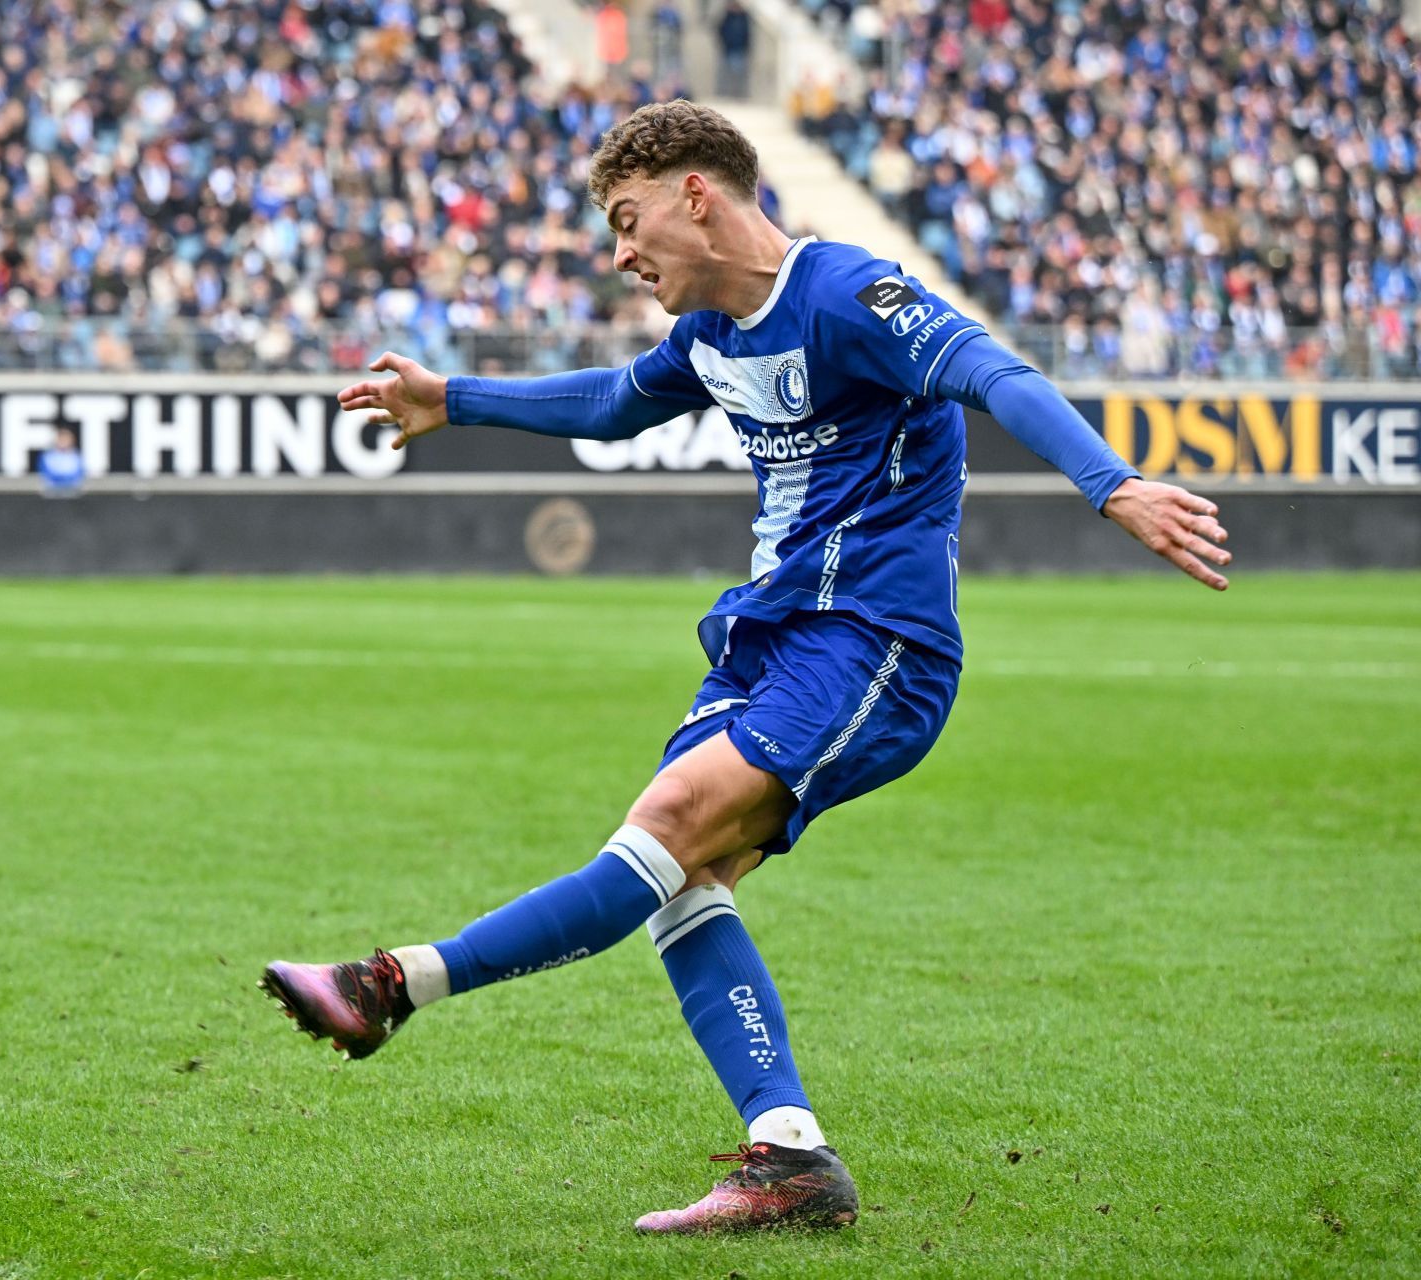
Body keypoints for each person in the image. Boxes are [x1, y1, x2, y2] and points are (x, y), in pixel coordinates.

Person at [261, 101, 1230, 1236]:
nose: (620, 252)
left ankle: (390, 984)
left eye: (628, 220)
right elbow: (619, 403)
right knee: (682, 879)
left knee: (667, 820)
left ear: (697, 194)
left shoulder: (844, 294)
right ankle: (791, 1159)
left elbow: (990, 370)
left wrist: (1111, 482)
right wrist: (456, 399)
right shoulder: (715, 335)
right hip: (772, 639)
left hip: (876, 640)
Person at [38, 427, 85, 496]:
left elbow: (79, 475)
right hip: (52, 491)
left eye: (66, 439)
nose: (63, 442)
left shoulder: (76, 457)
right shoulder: (47, 456)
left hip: (72, 491)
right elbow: (45, 475)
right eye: (61, 439)